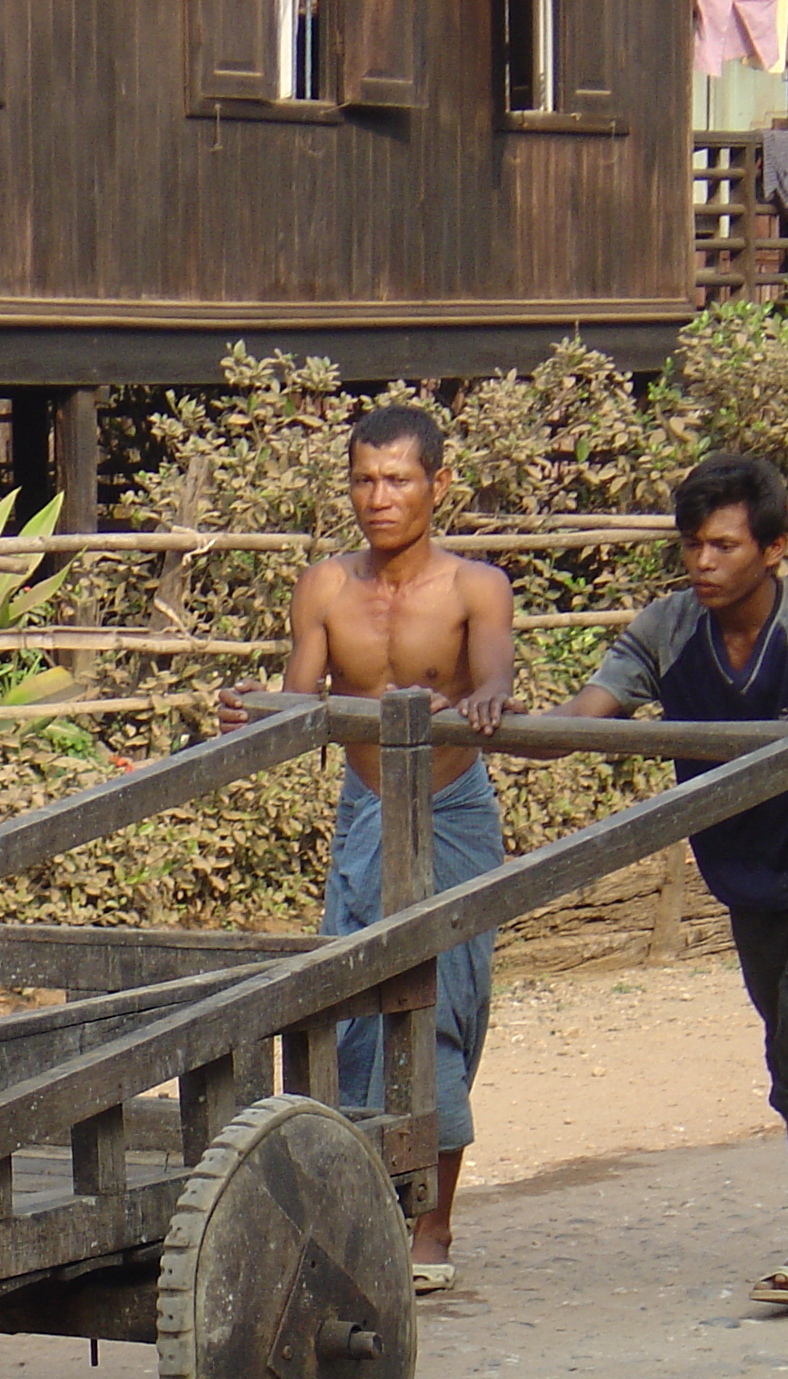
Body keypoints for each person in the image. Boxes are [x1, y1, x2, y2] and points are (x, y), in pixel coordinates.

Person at [536, 451, 788, 1309]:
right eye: (693, 547)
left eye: (724, 547)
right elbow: (583, 720)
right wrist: (488, 722)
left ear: (773, 549)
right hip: (746, 861)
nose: (703, 564)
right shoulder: (667, 629)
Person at [218, 405, 515, 1292]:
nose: (379, 498)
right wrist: (247, 713)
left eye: (398, 480)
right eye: (364, 480)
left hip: (453, 808)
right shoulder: (325, 588)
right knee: (351, 1005)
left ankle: (436, 1225)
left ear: (437, 486)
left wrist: (493, 700)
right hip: (367, 809)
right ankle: (370, 1204)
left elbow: (497, 672)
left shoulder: (475, 587)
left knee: (444, 1005)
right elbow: (299, 699)